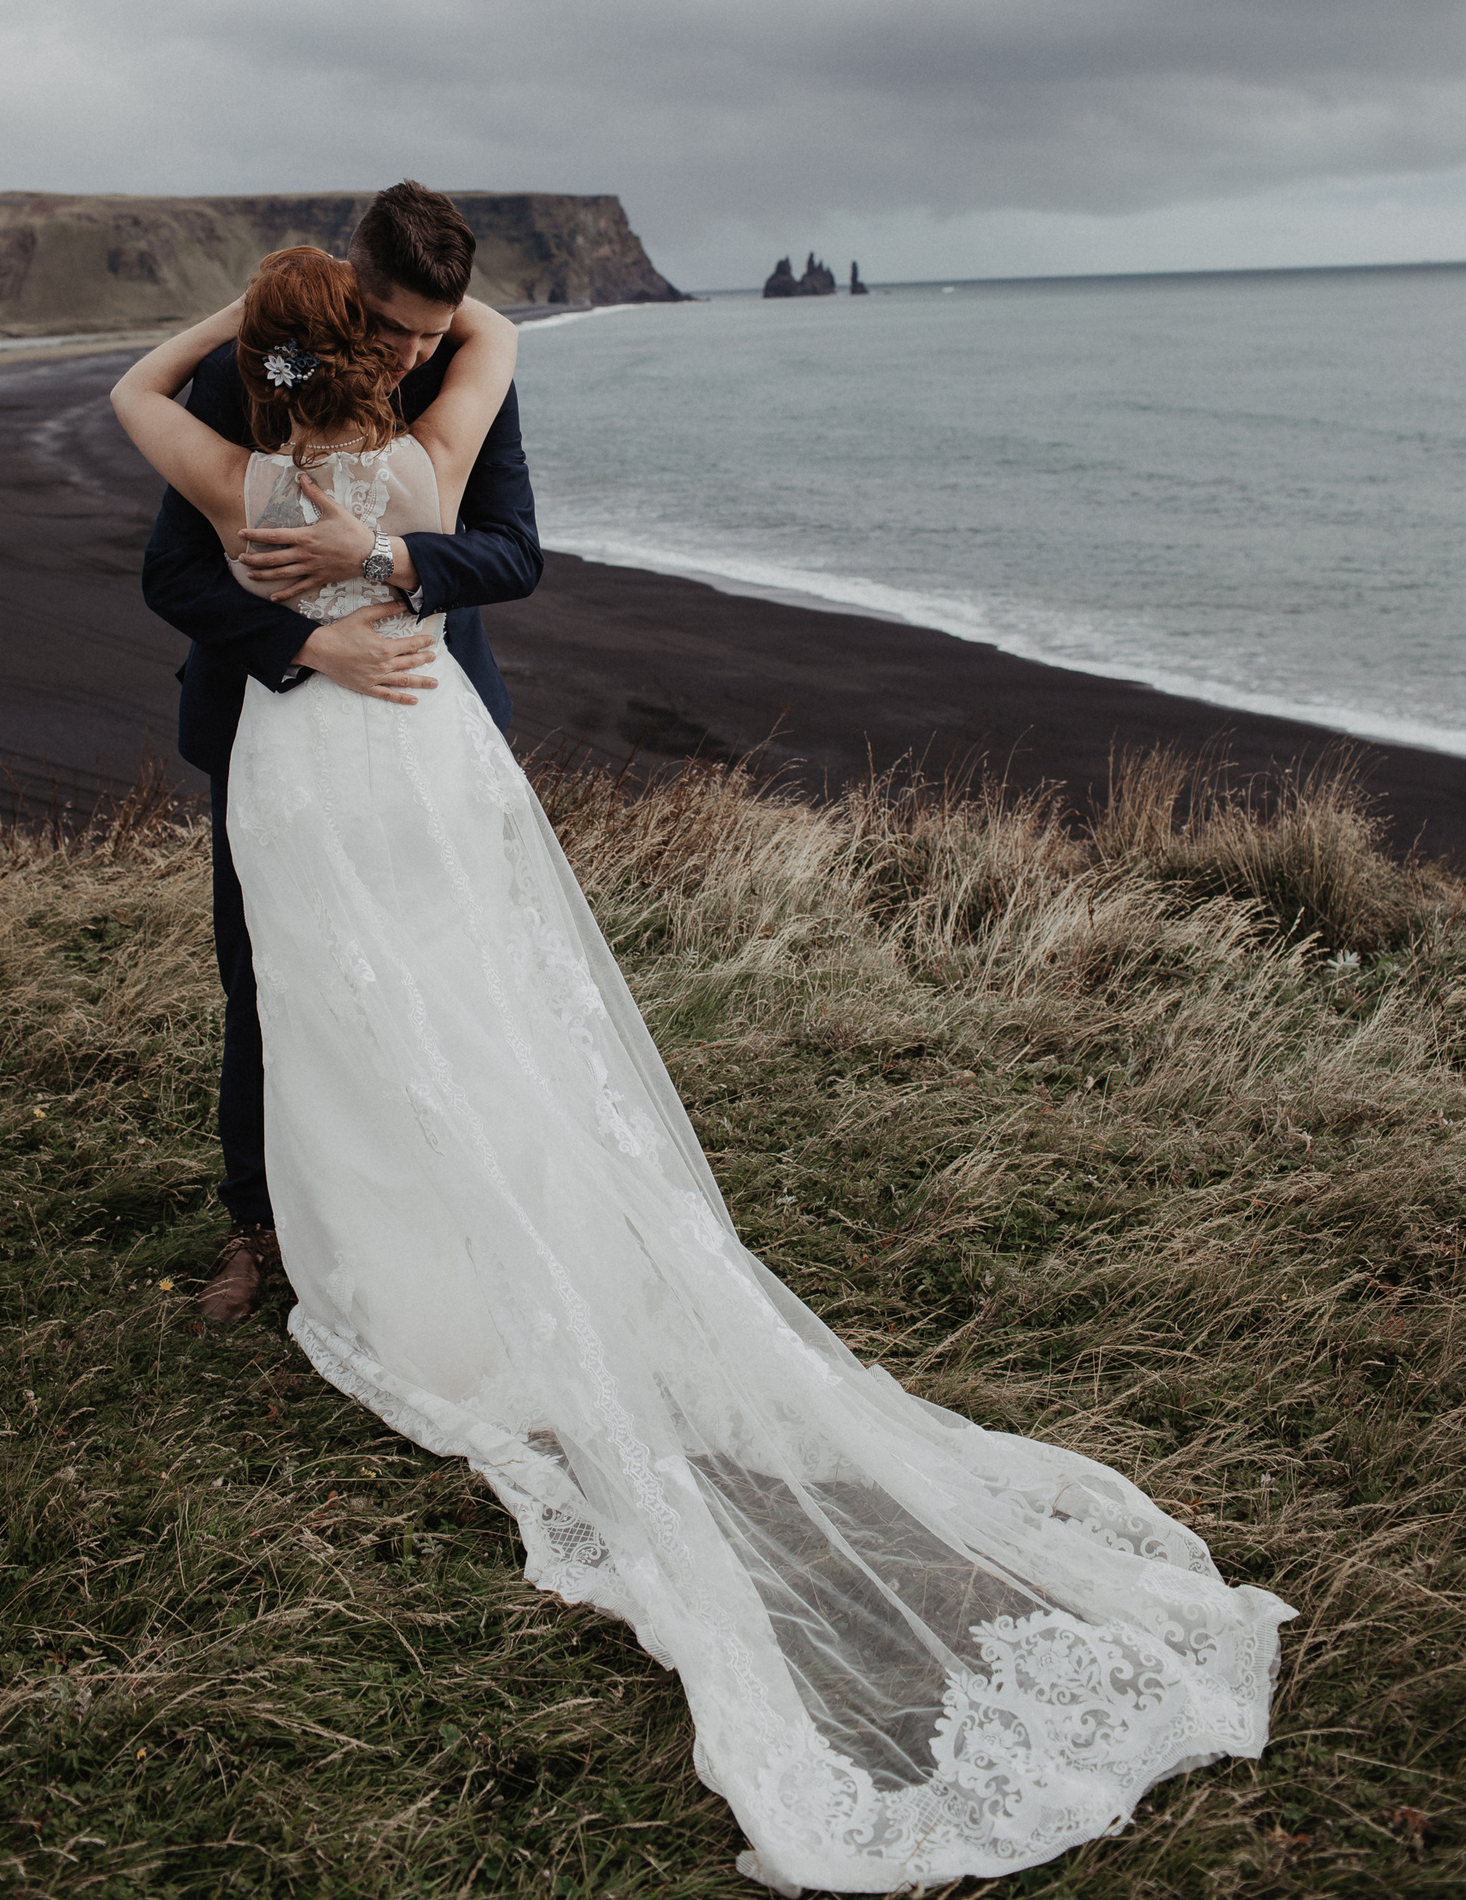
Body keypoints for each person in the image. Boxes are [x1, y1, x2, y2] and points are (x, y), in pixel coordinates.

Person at [112, 242, 1293, 1895]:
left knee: (400, 1004)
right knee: (308, 1005)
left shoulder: (252, 426)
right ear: (381, 331)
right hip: (310, 716)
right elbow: (194, 577)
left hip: (368, 757)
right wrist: (307, 628)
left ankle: (407, 1261)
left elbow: (495, 553)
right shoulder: (426, 421)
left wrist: (310, 420)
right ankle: (288, 1228)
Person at [140, 183, 542, 1323]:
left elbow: (514, 554)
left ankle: (443, 1212)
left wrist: (397, 560)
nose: (414, 350)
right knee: (265, 979)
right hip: (270, 733)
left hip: (425, 725)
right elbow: (169, 574)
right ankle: (260, 1231)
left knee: (444, 970)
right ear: (348, 286)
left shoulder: (471, 375)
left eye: (437, 327)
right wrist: (312, 643)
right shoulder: (246, 378)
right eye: (395, 322)